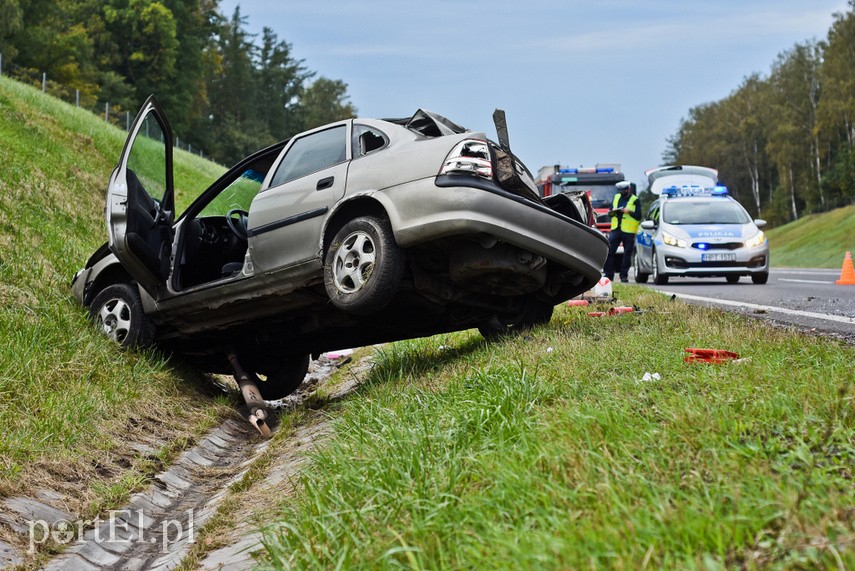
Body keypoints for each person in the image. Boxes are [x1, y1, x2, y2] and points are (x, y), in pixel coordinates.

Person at [603, 180, 641, 283]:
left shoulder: (635, 200)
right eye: (620, 190)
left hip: (628, 231)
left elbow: (638, 216)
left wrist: (629, 212)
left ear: (628, 190)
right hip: (616, 229)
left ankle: (624, 276)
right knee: (609, 252)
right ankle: (608, 275)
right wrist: (614, 210)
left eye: (624, 190)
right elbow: (610, 211)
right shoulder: (616, 197)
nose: (622, 192)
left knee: (627, 254)